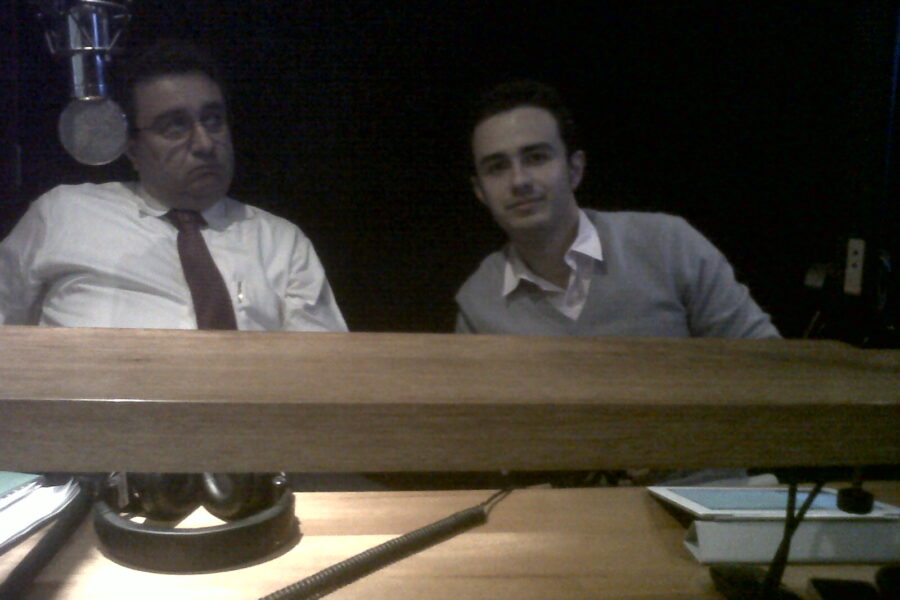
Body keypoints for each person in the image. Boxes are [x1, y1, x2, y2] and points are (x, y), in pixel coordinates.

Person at [0, 39, 346, 332]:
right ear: (132, 148)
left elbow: (324, 370)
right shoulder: (64, 215)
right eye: (175, 126)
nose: (205, 144)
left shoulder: (281, 243)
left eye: (213, 120)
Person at [455, 80, 779, 340]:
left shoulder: (669, 246)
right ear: (480, 191)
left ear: (575, 169)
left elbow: (765, 364)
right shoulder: (477, 301)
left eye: (536, 158)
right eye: (497, 167)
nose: (519, 180)